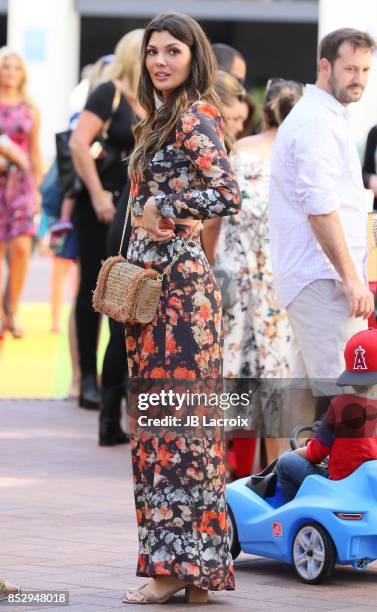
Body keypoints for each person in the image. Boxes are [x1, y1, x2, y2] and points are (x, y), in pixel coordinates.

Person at [122, 12, 241, 605]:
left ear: (194, 56)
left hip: (178, 295)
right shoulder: (161, 118)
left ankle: (176, 570)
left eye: (172, 51)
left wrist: (163, 204)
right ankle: (192, 569)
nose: (160, 61)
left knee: (175, 429)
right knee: (167, 429)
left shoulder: (194, 114)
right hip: (152, 291)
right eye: (152, 52)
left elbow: (227, 191)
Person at [269, 29, 375, 391]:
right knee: (348, 394)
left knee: (312, 400)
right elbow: (319, 207)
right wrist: (351, 279)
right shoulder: (316, 121)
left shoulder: (328, 116)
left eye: (364, 69)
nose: (358, 78)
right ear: (325, 66)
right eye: (350, 69)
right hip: (324, 280)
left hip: (320, 279)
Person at [69, 30, 144, 414]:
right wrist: (98, 195)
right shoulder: (108, 92)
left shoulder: (150, 98)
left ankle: (115, 386)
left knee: (122, 294)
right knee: (90, 290)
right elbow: (78, 143)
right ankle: (85, 381)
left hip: (133, 209)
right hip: (100, 205)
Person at [277, 328, 377, 502]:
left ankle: (293, 511)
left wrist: (298, 451)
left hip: (341, 488)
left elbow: (315, 454)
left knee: (284, 463)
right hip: (370, 489)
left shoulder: (339, 405)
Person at [0, 48, 42, 339]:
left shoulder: (30, 108)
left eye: (16, 67)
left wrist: (37, 190)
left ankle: (11, 308)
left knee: (21, 250)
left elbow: (35, 151)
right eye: (6, 66)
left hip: (22, 186)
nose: (11, 71)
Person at [362, 124, 377, 210]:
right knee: (372, 223)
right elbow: (363, 173)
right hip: (375, 210)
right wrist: (370, 179)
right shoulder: (374, 132)